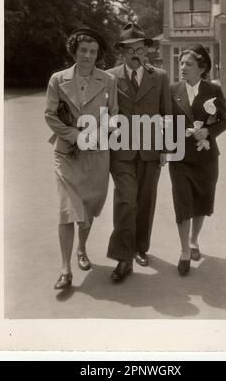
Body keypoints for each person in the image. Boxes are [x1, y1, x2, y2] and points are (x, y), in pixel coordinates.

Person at [45, 25, 118, 289]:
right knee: (67, 210)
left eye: (93, 51)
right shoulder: (57, 79)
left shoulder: (108, 80)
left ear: (98, 55)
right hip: (67, 152)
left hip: (97, 154)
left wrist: (100, 131)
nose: (88, 56)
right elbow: (50, 115)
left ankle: (82, 249)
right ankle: (65, 269)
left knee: (87, 211)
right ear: (74, 51)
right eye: (83, 50)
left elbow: (114, 115)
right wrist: (75, 135)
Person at [107, 22, 172, 282]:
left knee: (145, 201)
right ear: (122, 52)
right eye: (129, 49)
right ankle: (123, 257)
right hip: (121, 152)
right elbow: (104, 112)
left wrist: (166, 149)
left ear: (146, 51)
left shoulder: (161, 76)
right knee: (125, 200)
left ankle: (140, 248)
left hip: (150, 151)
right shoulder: (109, 77)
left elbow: (166, 114)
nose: (135, 53)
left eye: (139, 48)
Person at [168, 44, 226, 276]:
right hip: (179, 157)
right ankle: (185, 251)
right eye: (181, 63)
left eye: (189, 64)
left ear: (201, 67)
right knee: (183, 202)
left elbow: (225, 120)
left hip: (206, 158)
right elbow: (164, 120)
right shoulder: (172, 89)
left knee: (201, 202)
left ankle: (194, 240)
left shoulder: (213, 90)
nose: (182, 67)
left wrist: (208, 131)